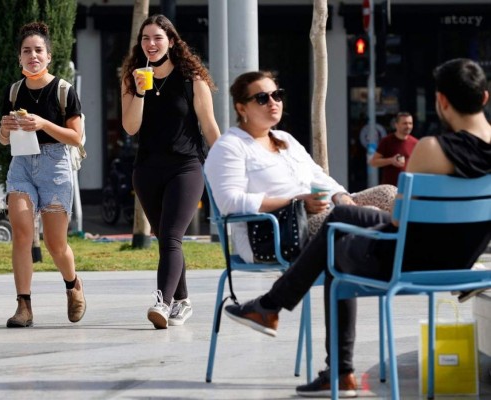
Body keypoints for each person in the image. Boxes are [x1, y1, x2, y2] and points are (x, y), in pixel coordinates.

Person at [223, 58, 491, 398]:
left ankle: (328, 359)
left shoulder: (431, 149)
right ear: (484, 97)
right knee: (341, 217)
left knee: (335, 246)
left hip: (406, 262)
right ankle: (271, 308)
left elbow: (399, 222)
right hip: (461, 265)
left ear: (441, 101)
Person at [204, 71, 396, 265]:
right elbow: (229, 202)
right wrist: (295, 202)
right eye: (262, 98)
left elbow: (317, 177)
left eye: (277, 95)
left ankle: (396, 251)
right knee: (358, 216)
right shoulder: (230, 146)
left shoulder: (285, 139)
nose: (273, 102)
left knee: (389, 194)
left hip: (319, 215)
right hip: (276, 232)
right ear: (241, 108)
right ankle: (392, 252)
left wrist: (340, 196)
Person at [120, 14, 220, 329]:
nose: (151, 44)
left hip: (186, 166)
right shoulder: (132, 78)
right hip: (147, 168)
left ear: (172, 41)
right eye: (145, 38)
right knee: (165, 238)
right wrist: (138, 91)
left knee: (172, 235)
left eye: (158, 38)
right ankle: (184, 300)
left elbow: (208, 125)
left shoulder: (192, 78)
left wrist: (226, 164)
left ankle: (163, 303)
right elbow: (131, 127)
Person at [0, 22, 86, 328]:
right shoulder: (13, 91)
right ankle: (24, 306)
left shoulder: (63, 90)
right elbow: (3, 139)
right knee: (21, 233)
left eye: (38, 50)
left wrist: (44, 124)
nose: (32, 55)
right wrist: (4, 131)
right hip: (21, 164)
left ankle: (72, 284)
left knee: (55, 243)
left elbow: (76, 137)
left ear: (49, 56)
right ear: (19, 58)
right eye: (26, 51)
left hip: (55, 166)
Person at [369, 112, 418, 185]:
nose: (408, 126)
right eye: (404, 123)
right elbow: (373, 162)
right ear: (396, 125)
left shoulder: (416, 143)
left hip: (409, 187)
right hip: (390, 188)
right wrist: (391, 160)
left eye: (410, 123)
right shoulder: (387, 141)